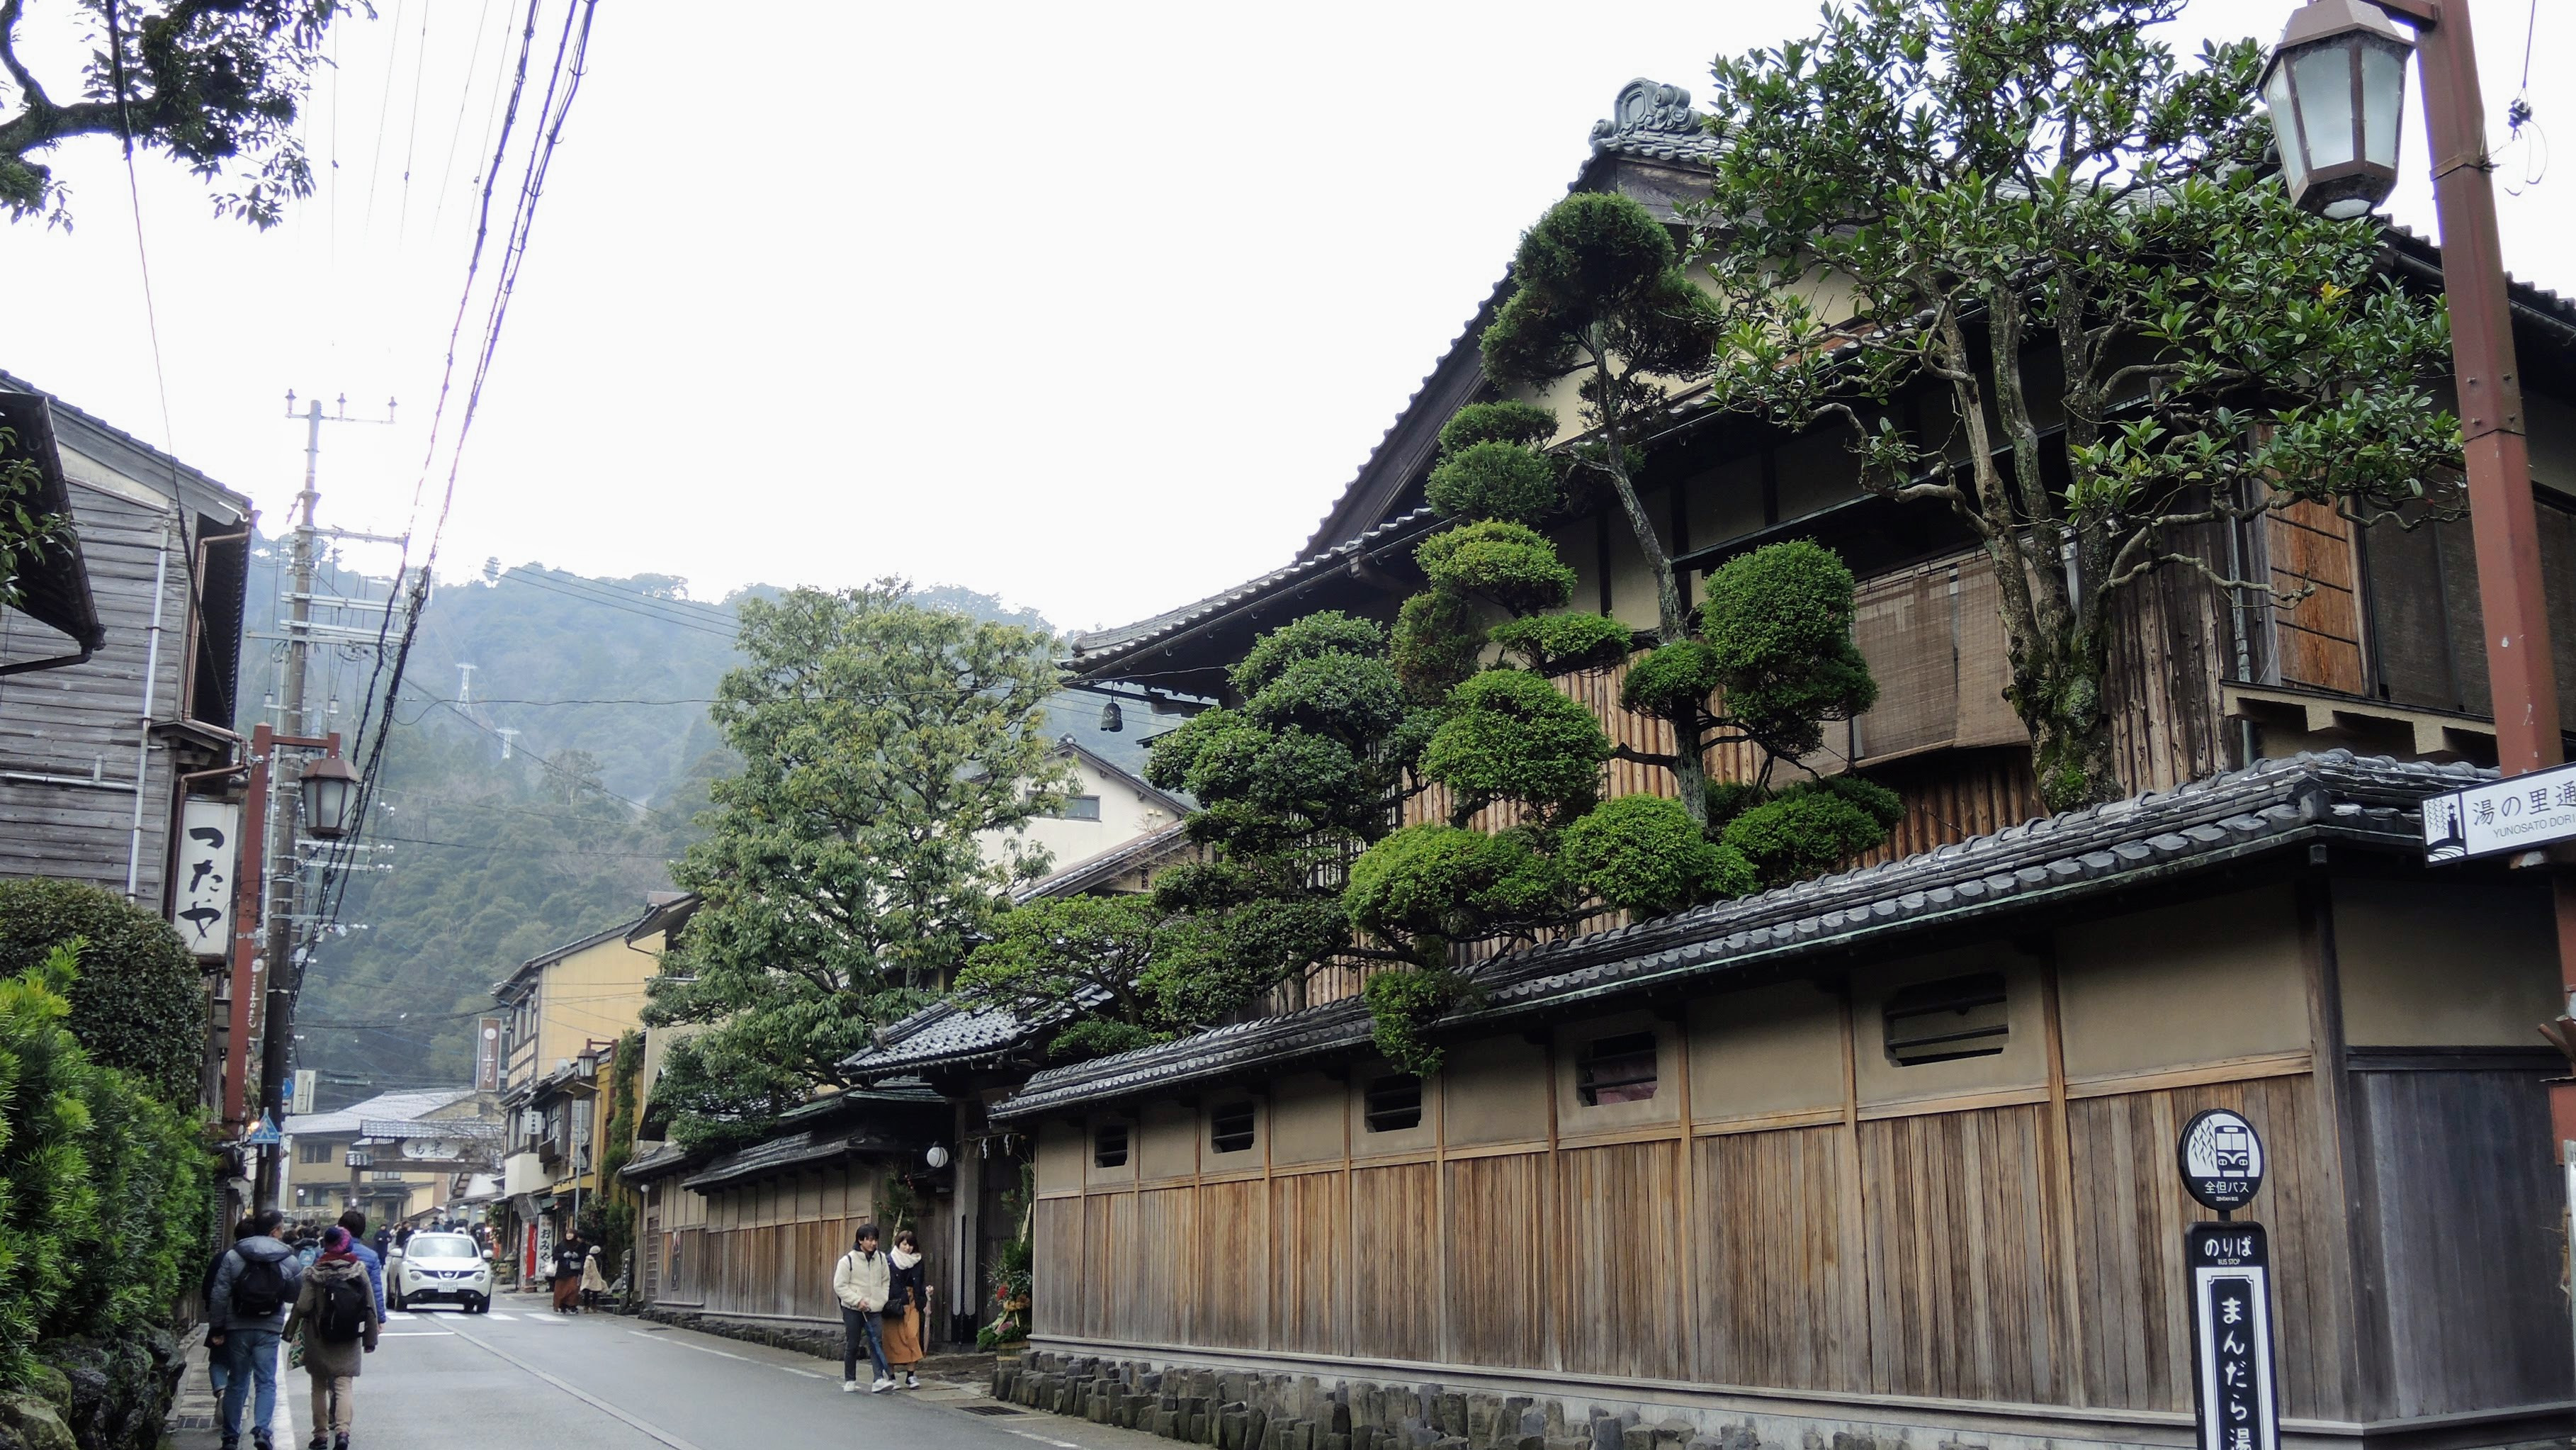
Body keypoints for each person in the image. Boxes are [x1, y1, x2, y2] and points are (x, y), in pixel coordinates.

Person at [209, 1208, 303, 1450]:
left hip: (237, 1325)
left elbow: (219, 1295)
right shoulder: (288, 1259)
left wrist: (217, 1328)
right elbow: (295, 1295)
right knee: (266, 1381)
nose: (283, 1233)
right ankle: (262, 1430)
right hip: (269, 1327)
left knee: (237, 1381)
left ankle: (230, 1436)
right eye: (281, 1228)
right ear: (275, 1231)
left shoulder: (234, 1256)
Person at [283, 1226, 379, 1450]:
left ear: (325, 1244)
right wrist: (370, 1340)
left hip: (319, 1338)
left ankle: (320, 1436)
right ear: (347, 1244)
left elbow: (304, 1305)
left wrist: (290, 1331)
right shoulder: (358, 1271)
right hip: (349, 1337)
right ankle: (343, 1433)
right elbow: (370, 1307)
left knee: (318, 1385)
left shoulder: (315, 1273)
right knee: (344, 1385)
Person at [200, 1217, 262, 1406]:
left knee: (218, 1360)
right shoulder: (262, 1261)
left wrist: (213, 1316)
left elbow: (208, 1290)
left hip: (223, 1318)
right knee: (244, 1367)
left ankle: (221, 1390)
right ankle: (234, 1409)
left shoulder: (222, 1258)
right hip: (252, 1320)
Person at [833, 1223, 894, 1394]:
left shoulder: (881, 1259)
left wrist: (881, 1300)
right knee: (853, 1343)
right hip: (853, 1309)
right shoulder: (848, 1261)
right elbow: (839, 1286)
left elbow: (886, 1281)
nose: (873, 1243)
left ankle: (879, 1379)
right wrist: (857, 1300)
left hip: (874, 1308)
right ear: (860, 1240)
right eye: (869, 1239)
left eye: (875, 1239)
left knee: (876, 1342)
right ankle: (850, 1379)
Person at [881, 1228, 932, 1390]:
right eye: (904, 1244)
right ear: (898, 1244)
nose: (907, 1248)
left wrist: (926, 1291)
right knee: (892, 1340)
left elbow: (920, 1283)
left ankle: (911, 1375)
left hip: (912, 1302)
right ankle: (891, 1376)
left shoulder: (918, 1261)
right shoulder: (889, 1260)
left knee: (912, 1335)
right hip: (894, 1304)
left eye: (911, 1245)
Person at [335, 1210, 388, 1327]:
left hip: (327, 1313)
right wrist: (380, 1318)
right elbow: (375, 1289)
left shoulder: (323, 1253)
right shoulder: (371, 1256)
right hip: (355, 1314)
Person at [550, 1232, 587, 1313]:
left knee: (573, 1289)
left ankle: (572, 1306)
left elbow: (583, 1256)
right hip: (562, 1271)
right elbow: (554, 1256)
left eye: (571, 1233)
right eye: (567, 1233)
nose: (569, 1235)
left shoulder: (579, 1245)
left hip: (573, 1270)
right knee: (560, 1290)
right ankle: (562, 1305)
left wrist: (577, 1256)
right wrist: (563, 1255)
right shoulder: (560, 1245)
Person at [580, 1241, 610, 1311]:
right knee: (587, 1292)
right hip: (589, 1278)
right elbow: (586, 1268)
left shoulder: (598, 1259)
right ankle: (586, 1306)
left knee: (595, 1292)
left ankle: (593, 1305)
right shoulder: (589, 1259)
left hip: (595, 1278)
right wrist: (589, 1275)